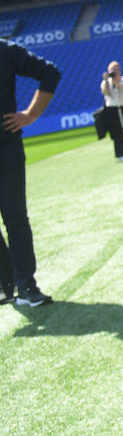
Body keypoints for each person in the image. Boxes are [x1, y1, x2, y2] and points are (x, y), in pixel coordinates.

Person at [0, 38, 60, 306]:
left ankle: (26, 285)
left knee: (15, 219)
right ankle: (6, 283)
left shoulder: (4, 50)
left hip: (6, 149)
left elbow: (50, 73)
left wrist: (30, 114)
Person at [100, 60, 123, 161]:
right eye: (113, 70)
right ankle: (121, 154)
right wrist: (108, 81)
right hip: (113, 109)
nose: (115, 71)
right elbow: (106, 92)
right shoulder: (105, 82)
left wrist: (117, 82)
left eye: (117, 69)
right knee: (117, 132)